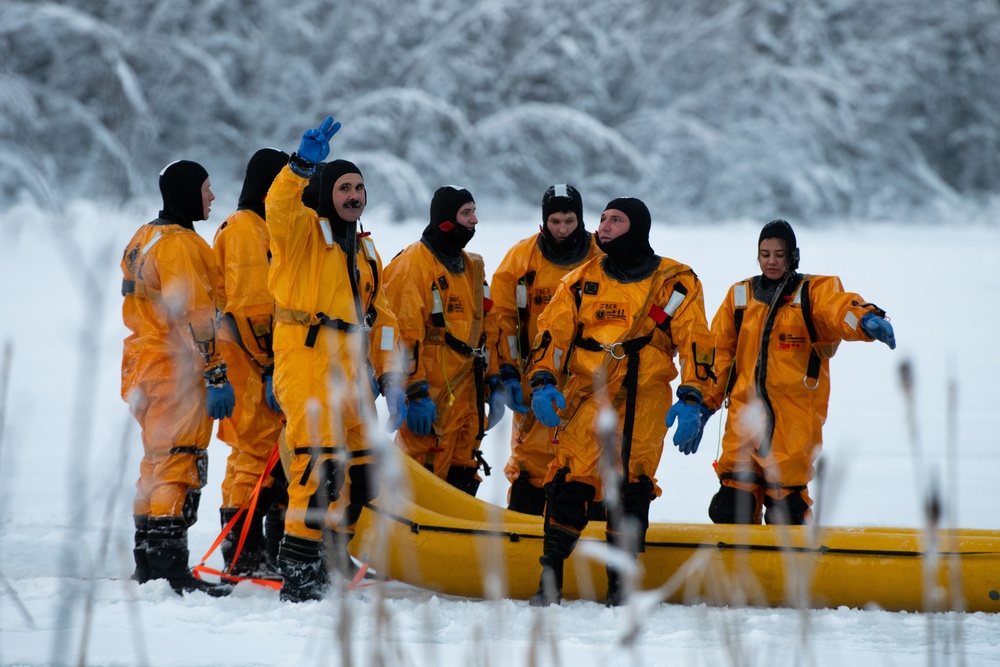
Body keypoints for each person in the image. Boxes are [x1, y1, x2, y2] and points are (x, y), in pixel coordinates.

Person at [526, 197, 716, 607]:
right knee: (568, 480)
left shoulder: (675, 282)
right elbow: (552, 334)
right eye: (603, 219)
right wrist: (542, 380)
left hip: (644, 395)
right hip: (588, 393)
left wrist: (693, 396)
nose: (604, 226)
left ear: (638, 228)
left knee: (632, 485)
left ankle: (620, 584)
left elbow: (696, 340)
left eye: (616, 220)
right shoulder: (580, 280)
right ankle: (550, 578)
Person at [265, 116, 406, 602]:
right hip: (305, 357)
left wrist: (390, 373)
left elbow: (382, 315)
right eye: (345, 187)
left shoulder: (365, 250)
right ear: (327, 191)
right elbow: (279, 207)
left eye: (360, 188)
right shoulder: (301, 233)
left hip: (351, 367)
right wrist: (300, 166)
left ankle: (331, 558)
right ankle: (300, 575)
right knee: (318, 470)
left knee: (362, 474)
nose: (354, 197)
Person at [703, 219, 896, 526]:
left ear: (793, 256)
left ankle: (790, 571)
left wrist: (864, 320)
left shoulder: (812, 292)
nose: (771, 261)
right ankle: (735, 570)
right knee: (730, 506)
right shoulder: (740, 296)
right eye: (765, 253)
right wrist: (703, 403)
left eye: (779, 254)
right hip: (742, 422)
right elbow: (719, 354)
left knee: (786, 509)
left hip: (792, 424)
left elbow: (838, 308)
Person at [121, 159, 235, 597]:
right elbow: (197, 317)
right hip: (176, 369)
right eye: (207, 188)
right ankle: (169, 569)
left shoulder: (144, 237)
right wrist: (215, 373)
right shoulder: (181, 245)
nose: (212, 197)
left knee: (155, 463)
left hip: (143, 366)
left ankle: (147, 562)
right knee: (178, 462)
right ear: (188, 191)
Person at [383, 185, 503, 496]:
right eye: (466, 213)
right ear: (445, 220)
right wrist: (414, 391)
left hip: (468, 404)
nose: (475, 220)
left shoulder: (473, 268)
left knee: (462, 478)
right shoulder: (411, 267)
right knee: (420, 481)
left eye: (474, 212)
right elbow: (402, 336)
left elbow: (487, 331)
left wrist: (496, 381)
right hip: (430, 404)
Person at [490, 184, 601, 515]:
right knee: (531, 464)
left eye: (569, 220)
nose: (563, 229)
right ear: (543, 220)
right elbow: (503, 319)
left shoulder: (601, 257)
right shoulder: (521, 259)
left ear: (580, 219)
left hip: (587, 380)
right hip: (535, 380)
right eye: (555, 221)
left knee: (587, 462)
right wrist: (508, 371)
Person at [212, 148, 289, 579]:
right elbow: (252, 308)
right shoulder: (245, 230)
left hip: (260, 361)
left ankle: (263, 550)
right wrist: (271, 364)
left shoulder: (263, 228)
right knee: (252, 454)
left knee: (272, 454)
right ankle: (241, 554)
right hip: (247, 362)